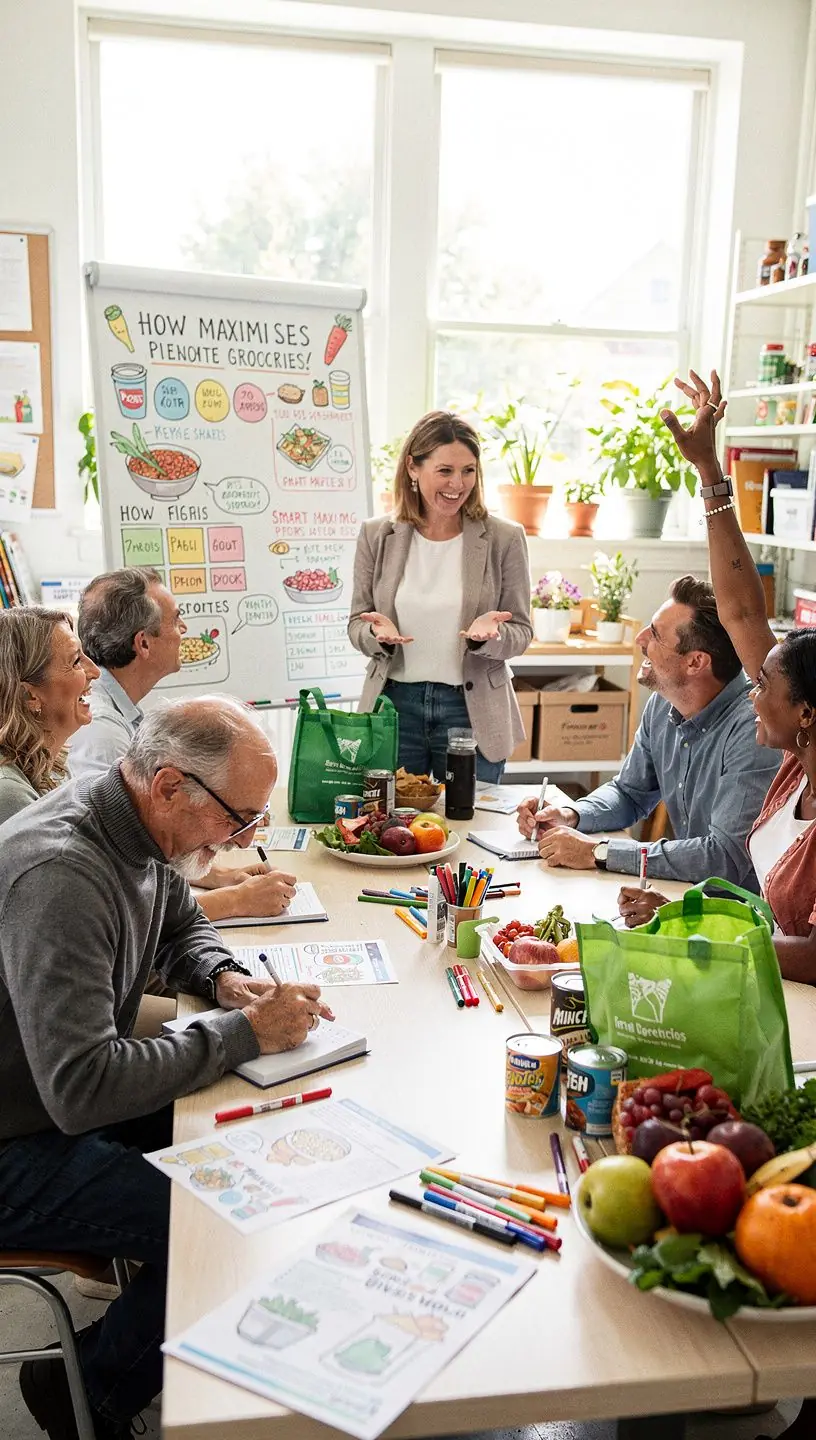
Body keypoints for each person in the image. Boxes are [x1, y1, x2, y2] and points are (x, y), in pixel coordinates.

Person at [0, 696, 333, 1439]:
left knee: (267, 1150)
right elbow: (83, 1090)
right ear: (171, 785)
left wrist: (222, 978)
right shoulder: (61, 873)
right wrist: (242, 1034)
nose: (248, 838)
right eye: (239, 817)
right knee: (225, 1222)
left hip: (44, 1100)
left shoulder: (137, 825)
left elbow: (181, 918)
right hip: (19, 1138)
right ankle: (87, 1387)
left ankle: (133, 1357)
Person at [618, 369, 816, 992]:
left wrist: (693, 928)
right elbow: (741, 613)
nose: (751, 692)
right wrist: (709, 474)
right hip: (767, 988)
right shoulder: (796, 765)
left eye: (765, 688)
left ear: (805, 712)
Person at [517, 574, 781, 885]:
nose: (640, 639)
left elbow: (722, 857)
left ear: (696, 662)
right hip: (683, 893)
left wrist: (599, 853)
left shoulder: (753, 728)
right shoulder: (662, 704)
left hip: (740, 914)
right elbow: (630, 793)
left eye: (655, 635)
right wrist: (571, 815)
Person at [70, 566, 297, 923]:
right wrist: (234, 901)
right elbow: (124, 885)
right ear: (143, 643)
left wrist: (215, 875)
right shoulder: (104, 732)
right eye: (176, 621)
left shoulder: (121, 711)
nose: (184, 631)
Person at [348, 411, 533, 782]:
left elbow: (522, 631)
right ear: (413, 468)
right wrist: (376, 635)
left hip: (470, 710)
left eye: (468, 471)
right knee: (393, 829)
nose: (457, 484)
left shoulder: (504, 538)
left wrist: (491, 637)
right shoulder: (376, 535)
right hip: (395, 707)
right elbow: (357, 623)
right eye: (445, 471)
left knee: (471, 826)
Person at [0, 605, 99, 825]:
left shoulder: (47, 768)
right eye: (75, 662)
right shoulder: (9, 795)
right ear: (29, 695)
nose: (94, 671)